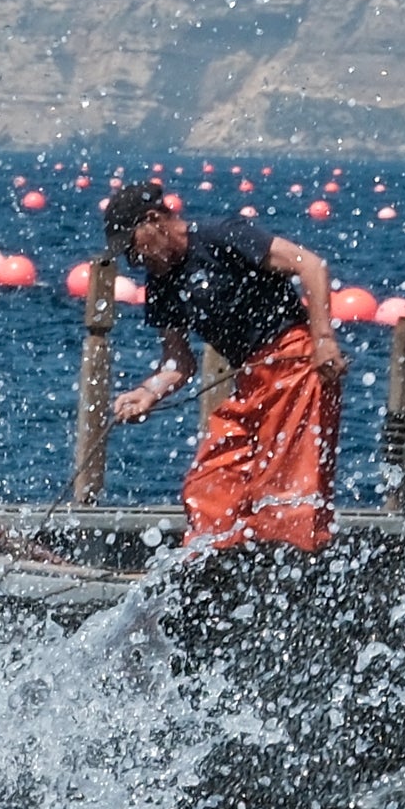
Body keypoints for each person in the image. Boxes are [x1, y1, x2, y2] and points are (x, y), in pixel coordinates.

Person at [107, 183, 347, 550]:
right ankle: (216, 564)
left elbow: (309, 265)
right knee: (208, 482)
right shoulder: (161, 284)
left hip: (296, 364)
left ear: (153, 221)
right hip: (250, 380)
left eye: (134, 250)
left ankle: (295, 566)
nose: (136, 263)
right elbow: (178, 363)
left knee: (286, 489)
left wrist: (324, 340)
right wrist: (146, 393)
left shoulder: (222, 235)